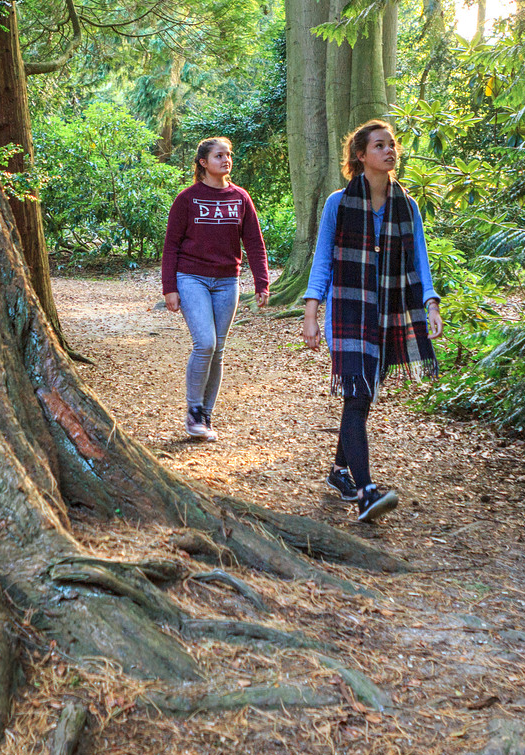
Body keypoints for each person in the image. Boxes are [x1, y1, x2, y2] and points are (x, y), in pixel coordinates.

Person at [301, 119, 442, 521]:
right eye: (379, 145)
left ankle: (338, 472)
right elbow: (323, 259)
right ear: (360, 156)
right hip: (348, 310)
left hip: (390, 313)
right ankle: (365, 492)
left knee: (360, 400)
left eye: (391, 144)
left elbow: (420, 260)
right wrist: (312, 312)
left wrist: (430, 302)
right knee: (358, 395)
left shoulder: (407, 205)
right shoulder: (338, 203)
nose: (389, 150)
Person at [162, 137, 270, 440]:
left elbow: (254, 244)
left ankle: (206, 416)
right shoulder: (188, 199)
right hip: (191, 277)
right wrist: (169, 287)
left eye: (228, 155)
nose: (226, 160)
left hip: (227, 281)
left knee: (218, 350)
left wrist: (261, 282)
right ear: (203, 162)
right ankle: (193, 411)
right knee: (205, 344)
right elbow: (171, 245)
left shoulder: (240, 198)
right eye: (219, 155)